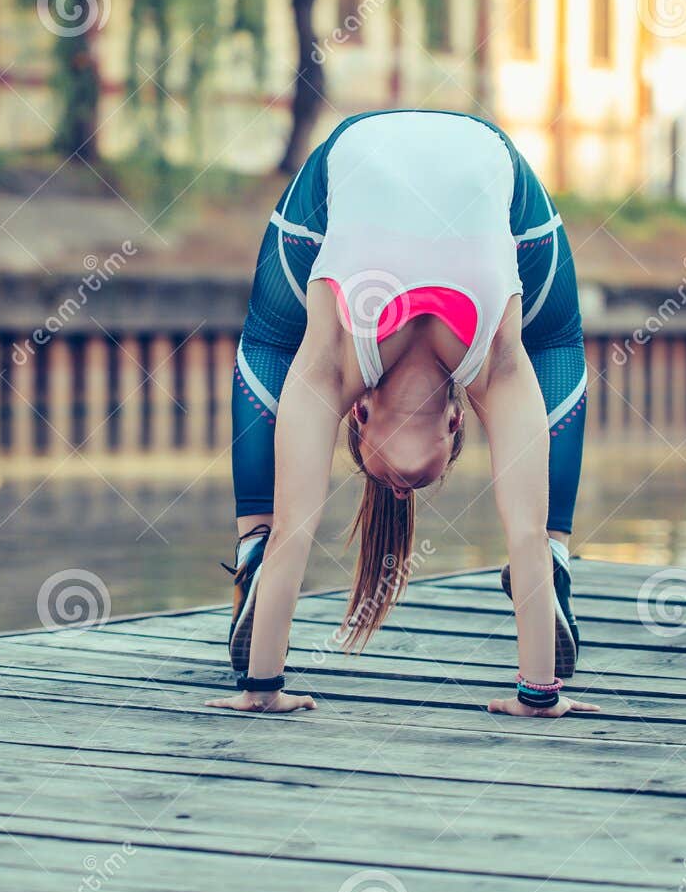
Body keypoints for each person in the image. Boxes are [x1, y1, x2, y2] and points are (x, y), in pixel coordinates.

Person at [209, 109, 598, 719]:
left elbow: (295, 531)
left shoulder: (483, 361)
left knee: (549, 345)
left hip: (462, 156)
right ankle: (556, 561)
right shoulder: (346, 359)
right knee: (271, 339)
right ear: (457, 418)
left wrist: (263, 689)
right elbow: (521, 531)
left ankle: (250, 551)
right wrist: (537, 695)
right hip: (425, 153)